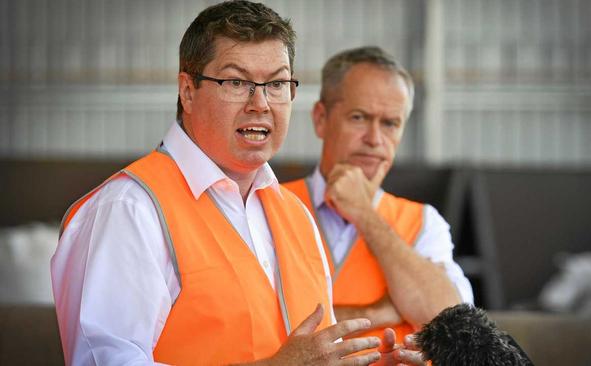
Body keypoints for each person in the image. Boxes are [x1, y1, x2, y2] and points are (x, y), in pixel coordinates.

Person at [51, 2, 385, 365]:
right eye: (237, 82)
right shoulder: (129, 210)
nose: (260, 104)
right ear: (188, 91)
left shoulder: (296, 215)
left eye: (276, 84)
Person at [283, 46, 474, 363]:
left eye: (390, 123)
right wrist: (377, 312)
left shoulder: (425, 222)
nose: (375, 138)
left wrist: (363, 212)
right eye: (359, 118)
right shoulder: (269, 204)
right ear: (321, 119)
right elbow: (260, 324)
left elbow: (452, 327)